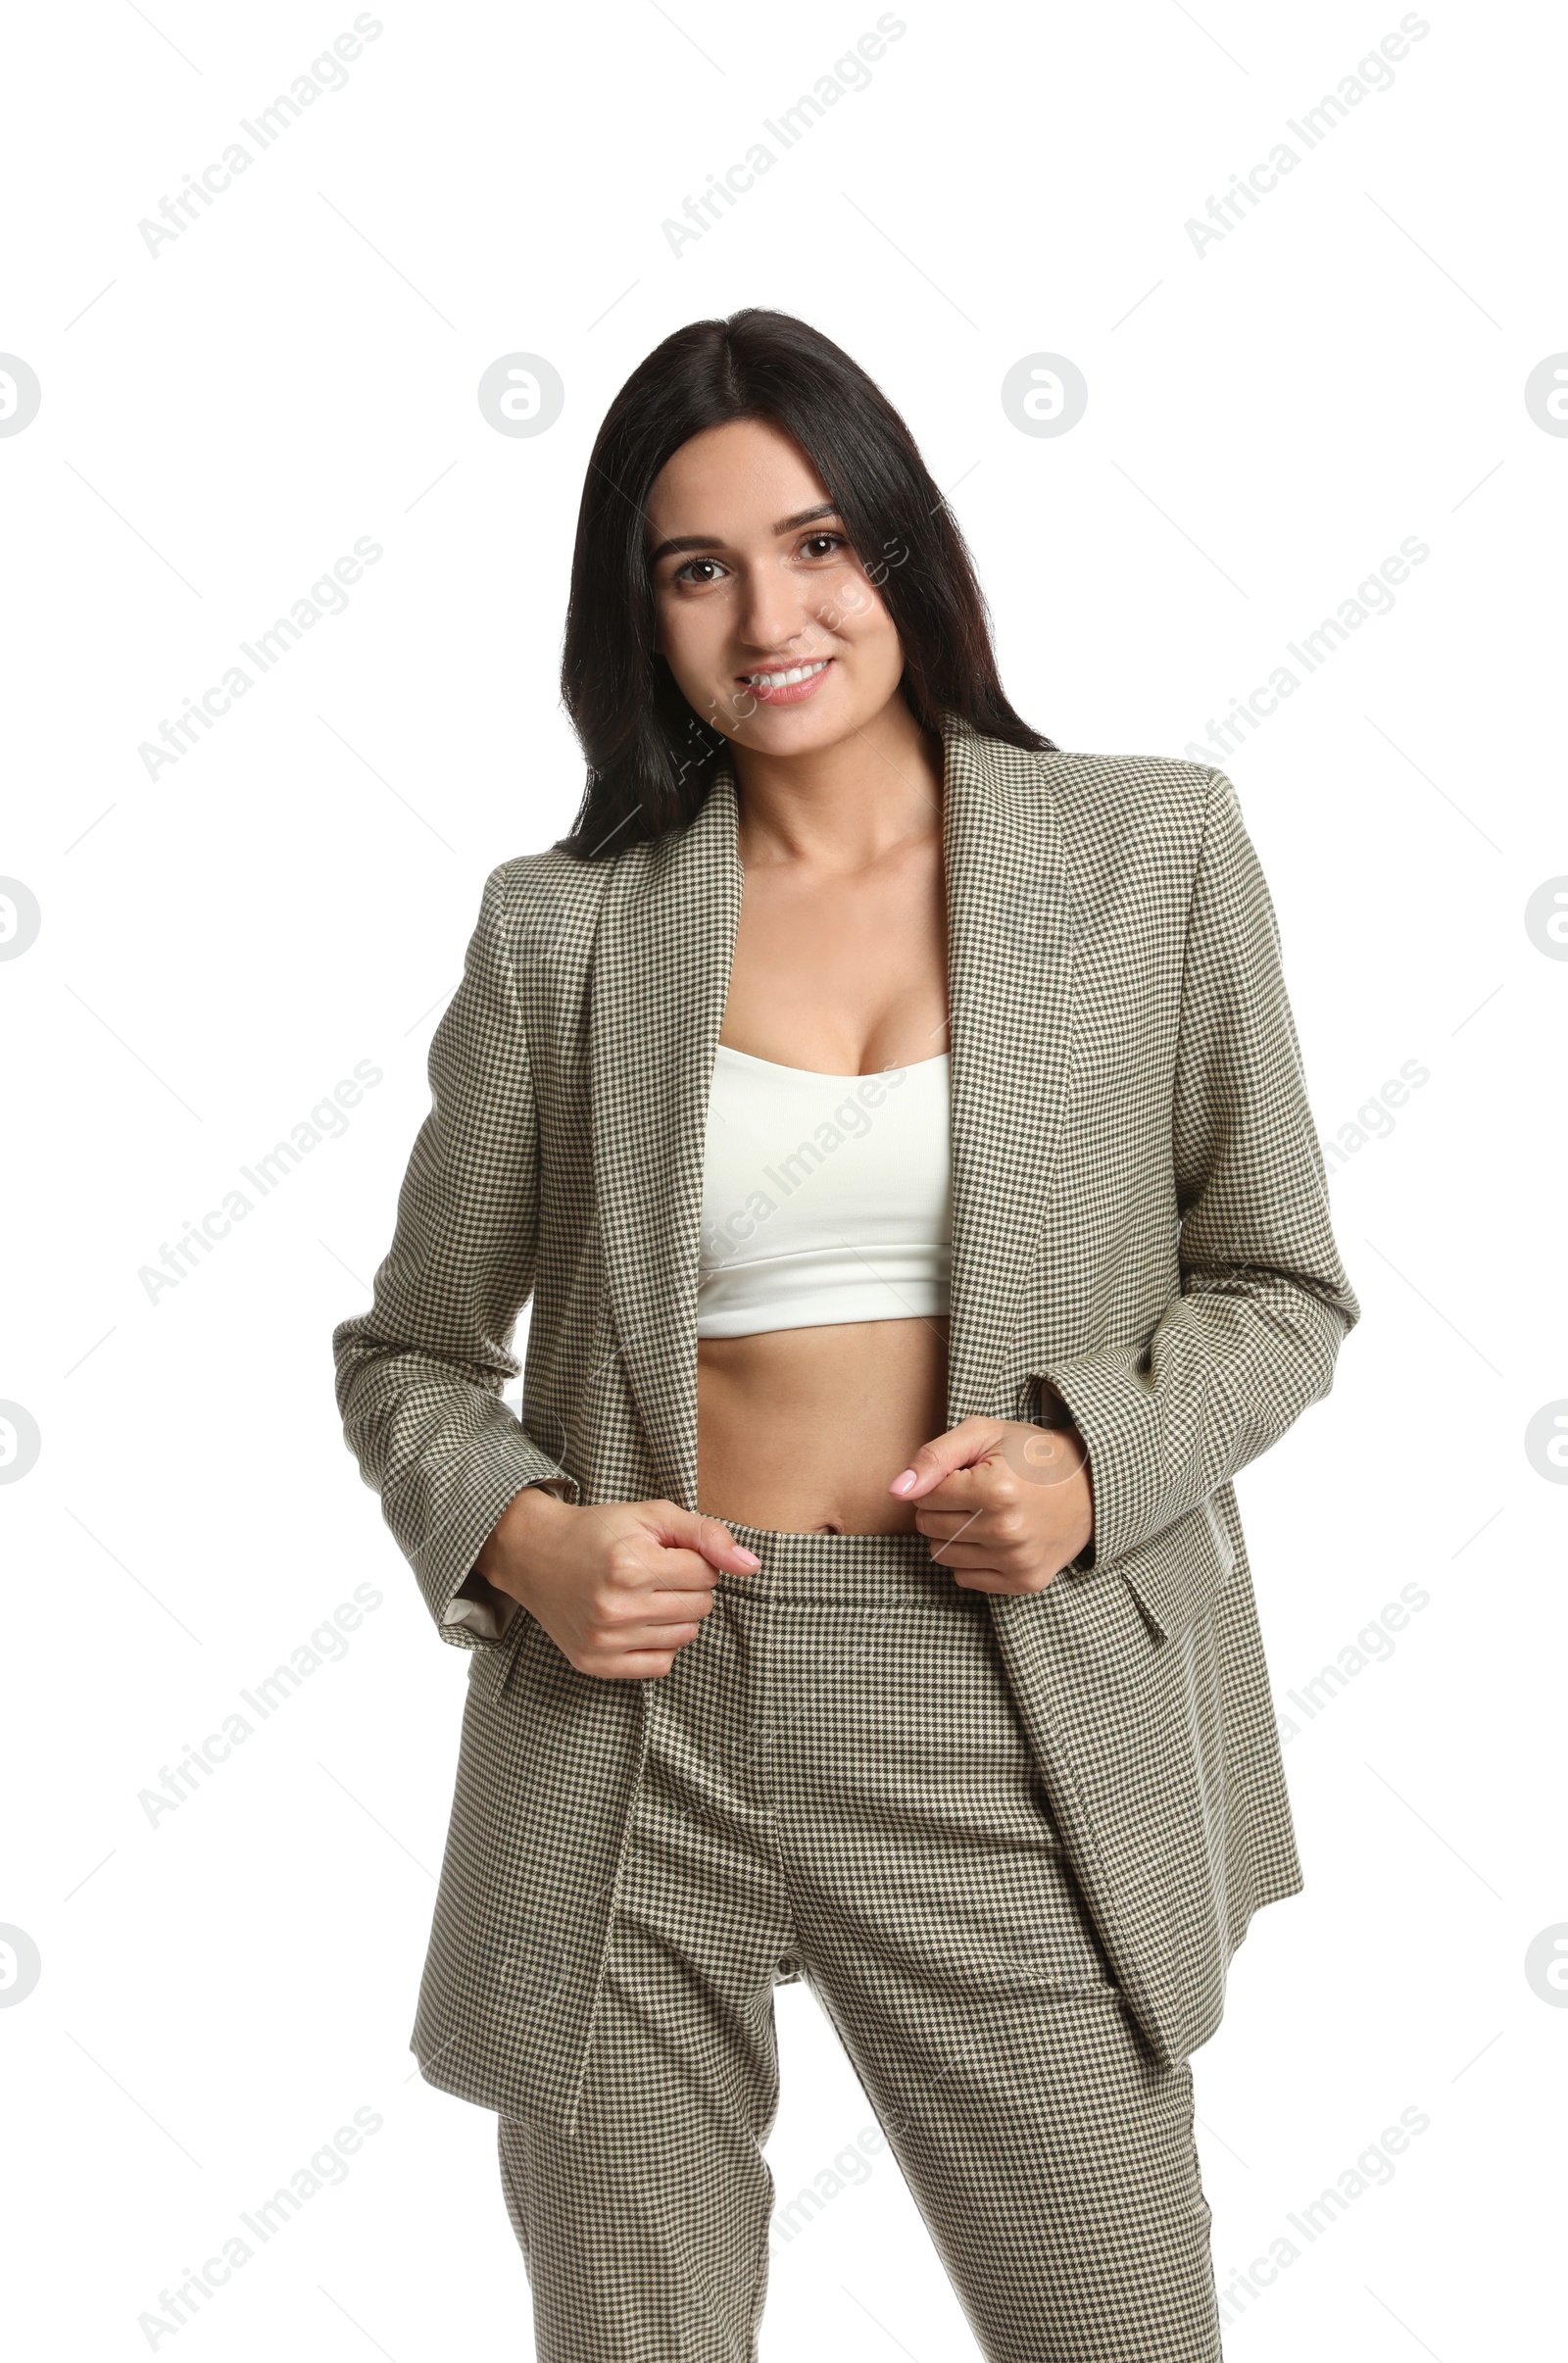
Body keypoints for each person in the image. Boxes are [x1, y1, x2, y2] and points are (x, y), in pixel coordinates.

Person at [331, 307, 1360, 2362]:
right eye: (694, 568)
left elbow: (1275, 1281)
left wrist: (1086, 1463)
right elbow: (411, 1352)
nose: (767, 614)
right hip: (633, 1722)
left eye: (816, 544)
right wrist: (527, 1542)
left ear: (902, 552)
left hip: (1001, 1693)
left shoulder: (1145, 852)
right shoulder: (565, 928)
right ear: (639, 617)